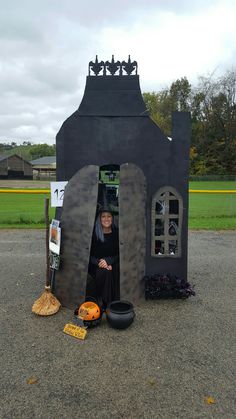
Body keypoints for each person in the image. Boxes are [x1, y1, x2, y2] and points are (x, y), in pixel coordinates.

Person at [87, 207, 120, 308]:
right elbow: (88, 255)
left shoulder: (117, 233)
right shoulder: (94, 234)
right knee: (105, 271)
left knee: (112, 270)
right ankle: (106, 302)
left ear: (112, 218)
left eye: (109, 216)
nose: (106, 219)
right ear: (99, 219)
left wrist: (109, 262)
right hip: (95, 265)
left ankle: (110, 301)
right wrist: (100, 263)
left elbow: (120, 253)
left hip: (112, 263)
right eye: (103, 216)